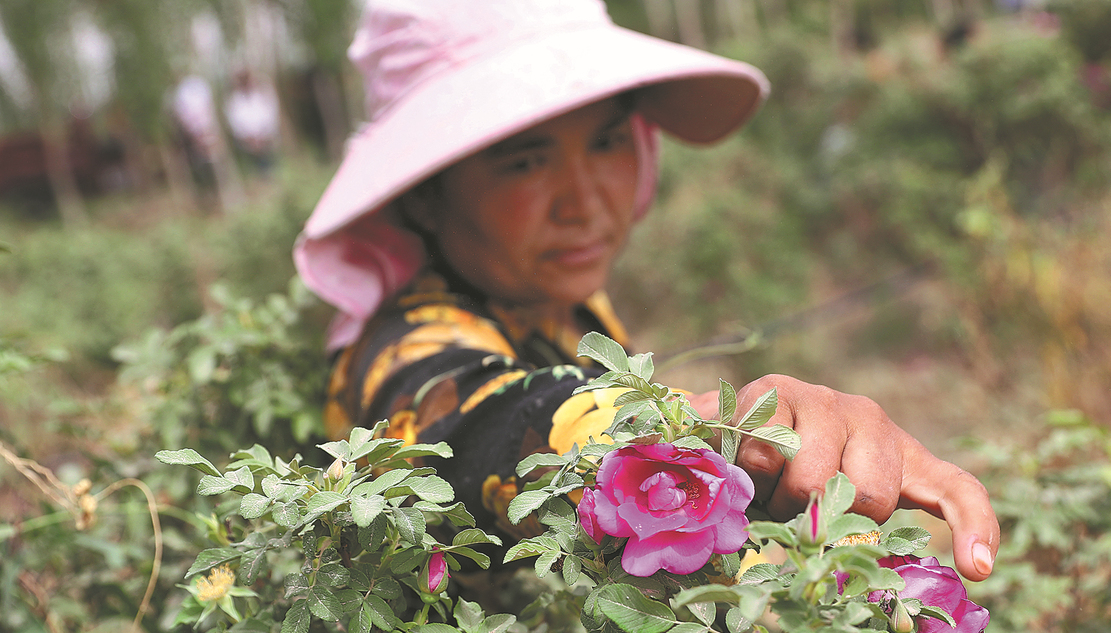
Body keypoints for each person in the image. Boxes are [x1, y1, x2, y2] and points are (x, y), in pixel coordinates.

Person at [294, 0, 999, 583]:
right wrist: (698, 434)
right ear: (422, 195)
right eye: (524, 162)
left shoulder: (567, 306)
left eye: (606, 143)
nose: (585, 201)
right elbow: (490, 424)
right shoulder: (399, 352)